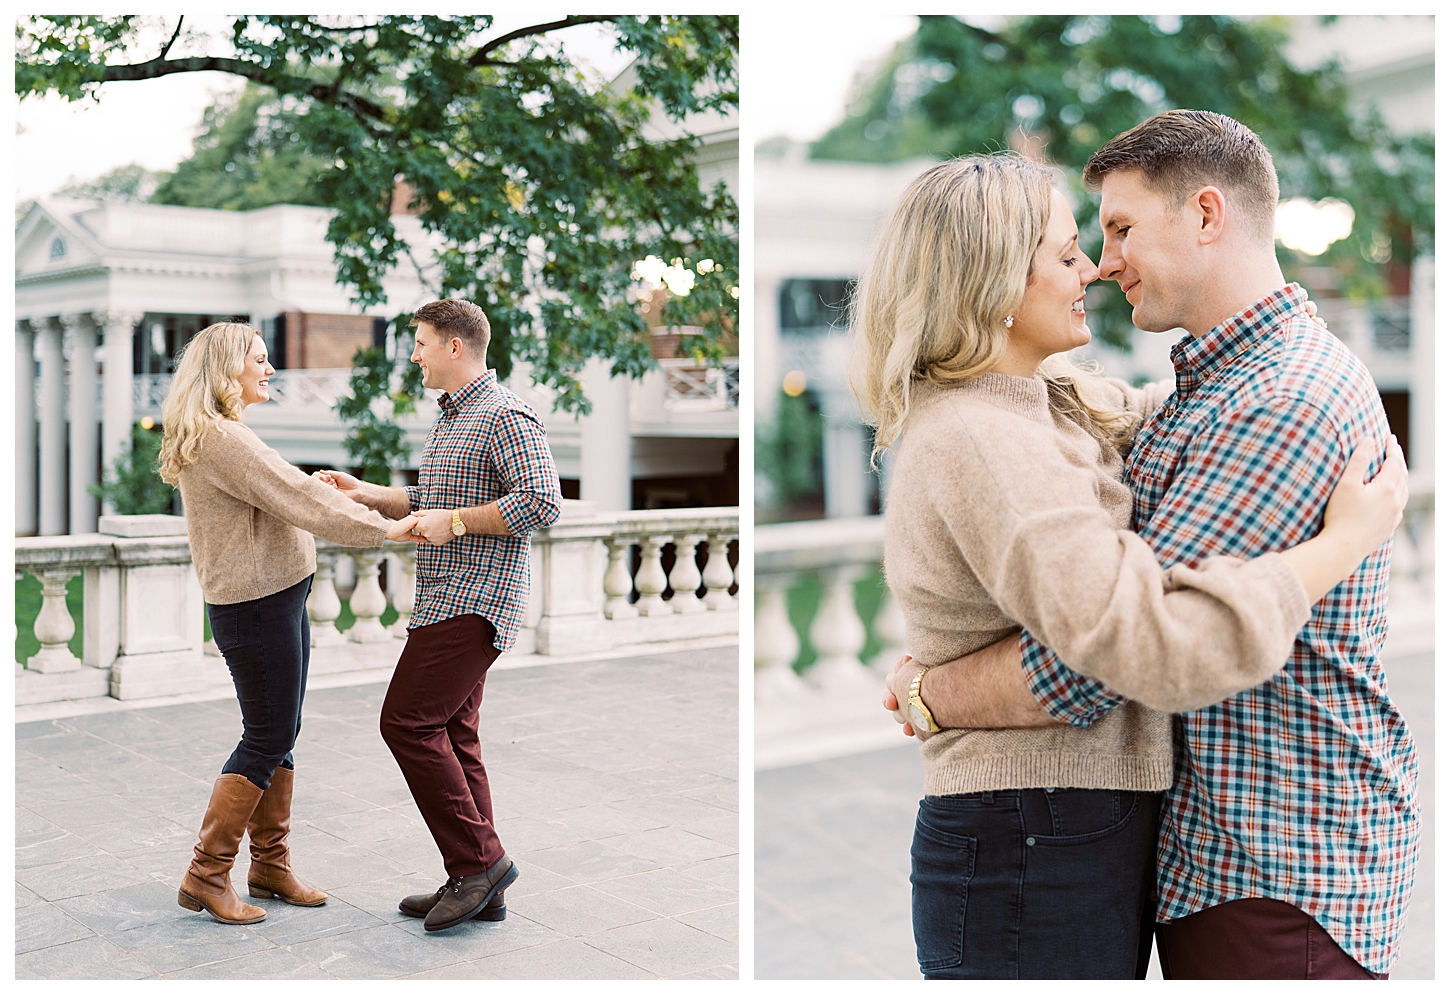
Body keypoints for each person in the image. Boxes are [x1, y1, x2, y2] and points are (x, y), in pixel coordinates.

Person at [882, 112, 1419, 980]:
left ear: (1207, 215)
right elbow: (1122, 631)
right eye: (1076, 248)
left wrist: (932, 693)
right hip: (1117, 839)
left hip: (1274, 858)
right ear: (989, 280)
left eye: (1119, 229)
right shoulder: (1174, 395)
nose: (1101, 262)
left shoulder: (1271, 399)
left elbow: (1111, 659)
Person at [317, 298, 562, 932]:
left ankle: (481, 863)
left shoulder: (504, 414)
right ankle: (476, 883)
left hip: (476, 597)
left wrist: (452, 524)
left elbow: (542, 502)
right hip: (445, 593)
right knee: (454, 734)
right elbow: (435, 498)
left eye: (422, 343)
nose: (415, 355)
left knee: (406, 721)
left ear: (456, 346)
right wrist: (368, 492)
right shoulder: (454, 418)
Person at [160, 322, 415, 925]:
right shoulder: (224, 439)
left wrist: (310, 485)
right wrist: (386, 527)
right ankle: (206, 873)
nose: (269, 369)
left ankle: (270, 867)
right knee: (268, 736)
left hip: (274, 600)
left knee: (282, 732)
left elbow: (286, 492)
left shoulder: (226, 434)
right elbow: (297, 499)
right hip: (255, 607)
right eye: (260, 359)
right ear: (228, 369)